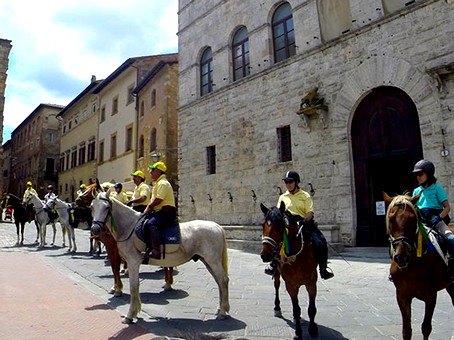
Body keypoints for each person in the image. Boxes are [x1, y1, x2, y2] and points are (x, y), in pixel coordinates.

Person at [265, 170, 334, 280]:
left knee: (320, 241)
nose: (288, 184)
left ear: (296, 182)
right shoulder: (283, 197)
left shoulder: (305, 195)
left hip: (303, 223)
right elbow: (278, 213)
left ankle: (323, 269)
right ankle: (273, 265)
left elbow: (310, 212)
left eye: (290, 182)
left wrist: (304, 220)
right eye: (286, 182)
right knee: (276, 241)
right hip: (287, 225)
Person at [412, 159, 454, 279]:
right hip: (421, 222)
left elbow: (447, 207)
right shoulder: (416, 191)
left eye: (420, 174)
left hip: (436, 221)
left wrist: (438, 218)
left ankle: (451, 267)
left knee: (451, 239)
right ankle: (397, 271)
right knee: (402, 240)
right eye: (416, 175)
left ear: (428, 174)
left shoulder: (437, 188)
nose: (418, 177)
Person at [142, 161, 177, 260]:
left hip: (166, 211)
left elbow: (159, 199)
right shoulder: (158, 183)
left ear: (159, 171)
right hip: (160, 211)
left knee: (151, 224)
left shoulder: (163, 183)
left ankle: (156, 251)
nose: (151, 172)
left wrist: (149, 207)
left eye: (153, 170)